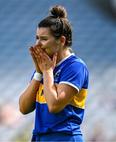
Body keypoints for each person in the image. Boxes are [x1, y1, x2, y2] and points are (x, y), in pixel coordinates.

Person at [19, 5, 89, 141]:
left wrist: (46, 71)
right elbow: (24, 107)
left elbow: (54, 105)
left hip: (64, 138)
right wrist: (39, 73)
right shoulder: (46, 67)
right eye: (37, 38)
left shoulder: (75, 67)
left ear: (61, 41)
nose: (37, 44)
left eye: (44, 39)